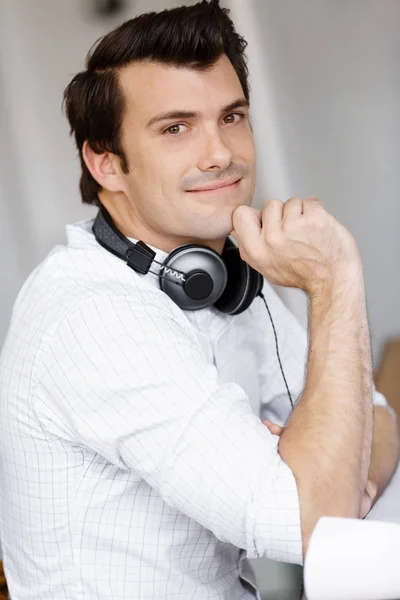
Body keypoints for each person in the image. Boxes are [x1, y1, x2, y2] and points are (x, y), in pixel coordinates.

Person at [0, 1, 399, 599]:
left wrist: (335, 478)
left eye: (232, 116)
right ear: (105, 161)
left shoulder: (221, 275)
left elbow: (376, 415)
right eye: (176, 127)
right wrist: (335, 281)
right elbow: (312, 525)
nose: (221, 153)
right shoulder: (94, 315)